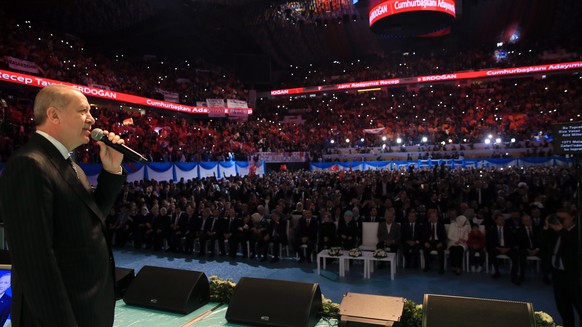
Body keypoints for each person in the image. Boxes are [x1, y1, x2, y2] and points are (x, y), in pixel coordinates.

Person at [0, 85, 127, 326]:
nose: (91, 119)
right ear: (54, 115)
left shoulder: (70, 164)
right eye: (83, 111)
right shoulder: (30, 164)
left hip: (84, 308)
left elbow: (92, 219)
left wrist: (111, 171)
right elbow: (35, 263)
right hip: (61, 315)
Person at [543, 209, 580, 327]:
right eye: (558, 219)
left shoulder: (577, 231)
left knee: (579, 304)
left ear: (572, 218)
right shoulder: (554, 231)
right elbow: (540, 240)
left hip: (574, 275)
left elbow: (574, 243)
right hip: (557, 274)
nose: (560, 222)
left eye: (563, 219)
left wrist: (561, 230)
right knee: (563, 308)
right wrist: (546, 226)